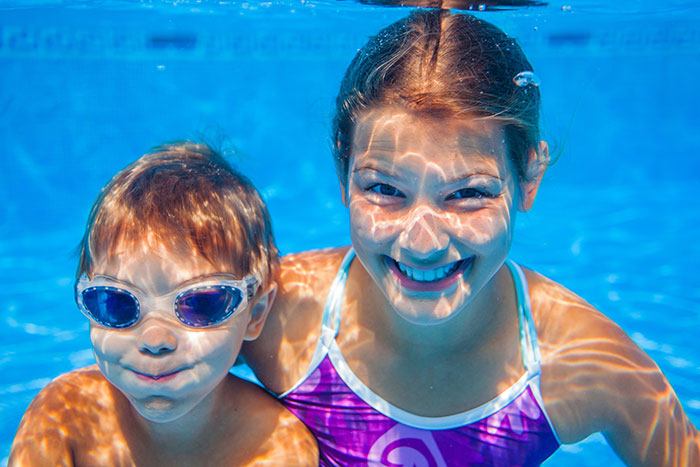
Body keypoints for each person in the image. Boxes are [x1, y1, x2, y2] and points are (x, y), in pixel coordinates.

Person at [243, 9, 700, 466]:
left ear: (529, 178)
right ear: (343, 175)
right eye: (384, 189)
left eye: (467, 194)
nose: (423, 244)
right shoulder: (277, 312)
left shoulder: (587, 364)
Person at [9, 142, 318, 466]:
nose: (155, 341)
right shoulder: (68, 413)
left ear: (255, 313)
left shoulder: (276, 446)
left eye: (200, 304)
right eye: (116, 303)